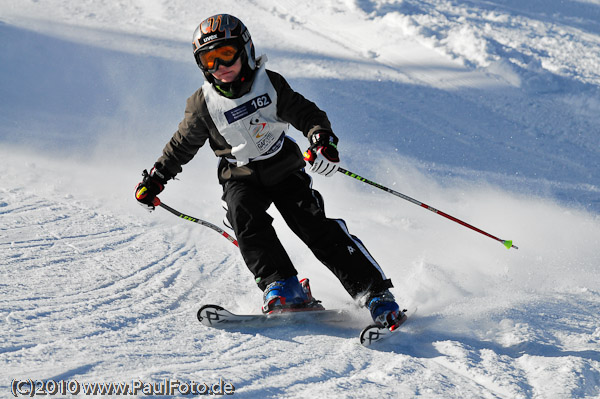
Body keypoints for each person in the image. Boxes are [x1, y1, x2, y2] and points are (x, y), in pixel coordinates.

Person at [135, 14, 405, 329]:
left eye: (226, 54)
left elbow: (306, 114)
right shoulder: (202, 105)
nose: (220, 65)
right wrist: (155, 179)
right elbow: (181, 146)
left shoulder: (269, 85)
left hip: (284, 167)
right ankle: (282, 285)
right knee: (244, 217)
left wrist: (322, 141)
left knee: (313, 226)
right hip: (240, 176)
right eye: (209, 59)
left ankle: (374, 293)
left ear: (245, 50)